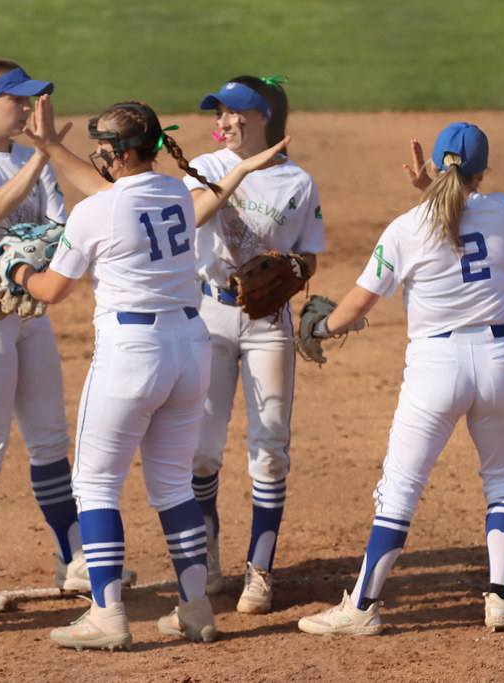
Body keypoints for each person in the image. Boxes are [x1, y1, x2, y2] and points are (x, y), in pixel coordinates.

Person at [296, 123, 504, 636]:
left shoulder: (405, 229)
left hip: (436, 370)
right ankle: (502, 598)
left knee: (400, 491)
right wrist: (434, 189)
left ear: (433, 165)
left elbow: (357, 305)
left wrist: (321, 328)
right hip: (500, 362)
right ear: (483, 172)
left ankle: (361, 608)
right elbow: (461, 208)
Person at [14, 99, 220, 651]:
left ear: (124, 153)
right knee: (174, 486)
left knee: (96, 485)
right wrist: (51, 149)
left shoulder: (93, 215)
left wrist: (18, 271)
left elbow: (52, 290)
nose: (97, 158)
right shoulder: (175, 190)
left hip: (132, 356)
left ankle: (106, 615)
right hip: (190, 350)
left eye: (103, 150)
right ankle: (195, 608)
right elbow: (114, 198)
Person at [0, 57, 133, 612]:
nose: (26, 108)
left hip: (25, 312)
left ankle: (74, 560)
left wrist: (40, 162)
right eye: (18, 99)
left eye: (29, 99)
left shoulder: (30, 158)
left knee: (48, 440)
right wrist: (44, 156)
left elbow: (56, 227)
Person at [183, 75, 325, 613]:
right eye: (217, 113)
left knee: (269, 452)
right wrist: (240, 170)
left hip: (268, 320)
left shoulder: (300, 183)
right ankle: (207, 558)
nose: (220, 122)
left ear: (262, 116)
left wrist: (290, 268)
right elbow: (195, 214)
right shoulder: (210, 165)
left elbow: (309, 256)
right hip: (210, 314)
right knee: (200, 450)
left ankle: (259, 572)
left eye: (230, 113)